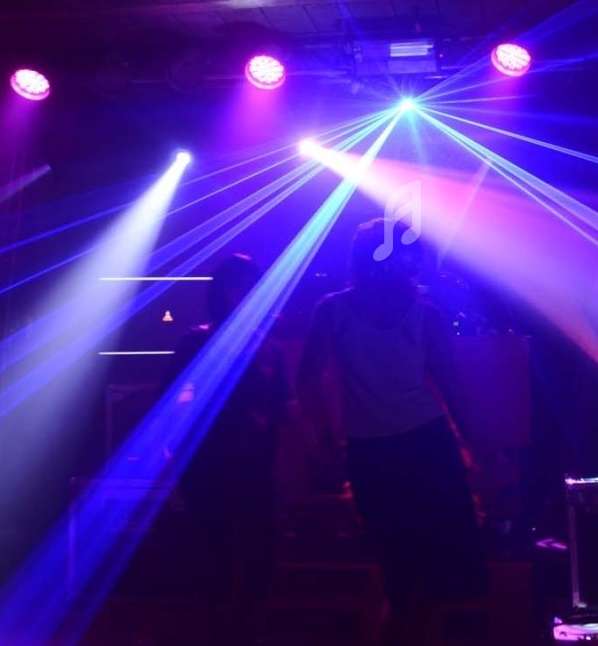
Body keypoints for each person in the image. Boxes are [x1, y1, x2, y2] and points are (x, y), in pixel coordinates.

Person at [298, 219, 488, 646]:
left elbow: (306, 379)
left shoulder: (333, 310)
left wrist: (326, 437)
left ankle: (407, 633)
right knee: (424, 568)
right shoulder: (423, 314)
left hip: (378, 451)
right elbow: (453, 390)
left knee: (400, 565)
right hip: (423, 446)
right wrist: (483, 451)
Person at [175, 253, 294, 646]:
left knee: (260, 547)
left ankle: (244, 625)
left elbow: (284, 404)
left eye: (247, 284)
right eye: (234, 284)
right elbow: (175, 403)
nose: (241, 292)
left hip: (256, 465)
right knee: (214, 551)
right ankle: (218, 629)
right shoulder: (196, 342)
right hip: (210, 464)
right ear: (220, 291)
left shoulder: (269, 347)